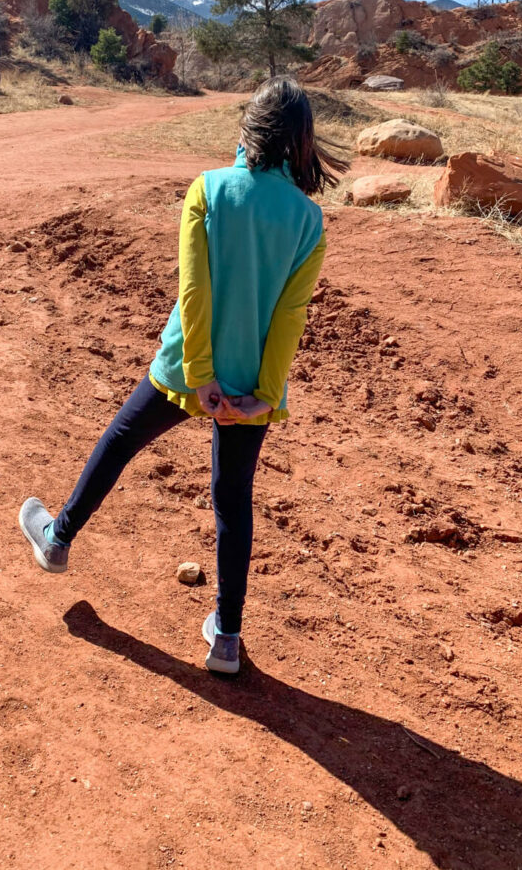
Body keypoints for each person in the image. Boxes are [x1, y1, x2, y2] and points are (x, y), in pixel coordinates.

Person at [19, 75, 347, 674]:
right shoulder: (309, 220)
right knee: (233, 501)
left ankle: (58, 538)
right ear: (302, 140)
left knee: (121, 440)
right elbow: (289, 317)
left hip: (186, 367)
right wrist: (265, 395)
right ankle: (226, 637)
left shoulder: (208, 190)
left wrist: (199, 376)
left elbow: (194, 291)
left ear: (251, 127)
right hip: (252, 384)